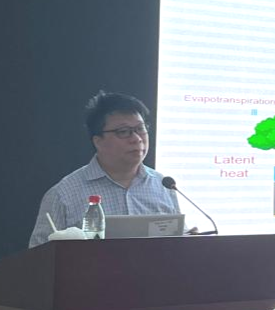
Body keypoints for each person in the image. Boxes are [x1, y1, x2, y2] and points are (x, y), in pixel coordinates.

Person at [29, 91, 179, 247]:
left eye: (140, 129)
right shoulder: (63, 194)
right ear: (98, 141)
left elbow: (176, 244)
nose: (137, 139)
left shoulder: (164, 186)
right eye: (123, 132)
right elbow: (39, 256)